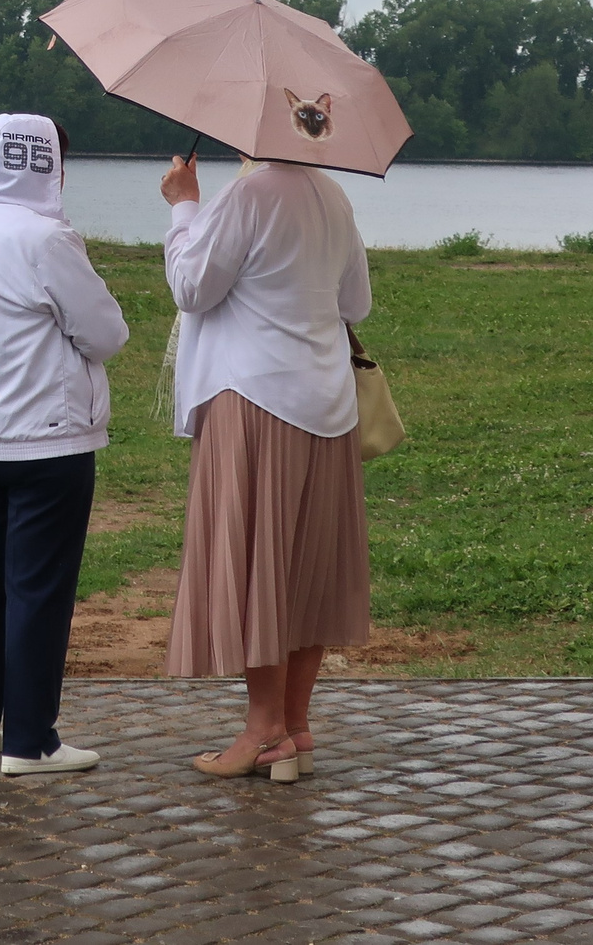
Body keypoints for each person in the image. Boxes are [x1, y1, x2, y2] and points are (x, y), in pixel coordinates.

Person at [159, 153, 373, 784]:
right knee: (306, 568)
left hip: (253, 399)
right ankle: (295, 728)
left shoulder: (245, 196)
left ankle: (262, 729)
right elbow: (355, 302)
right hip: (327, 404)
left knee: (259, 567)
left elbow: (191, 287)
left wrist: (183, 205)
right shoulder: (334, 196)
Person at [0, 113, 128, 775]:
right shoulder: (50, 237)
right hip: (46, 442)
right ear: (49, 167)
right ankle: (30, 740)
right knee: (38, 589)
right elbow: (106, 333)